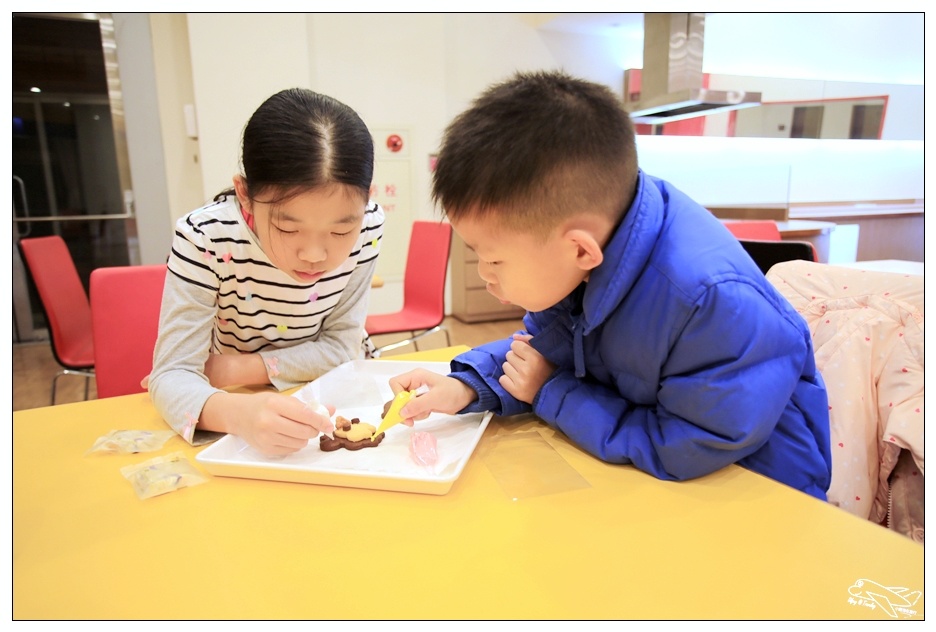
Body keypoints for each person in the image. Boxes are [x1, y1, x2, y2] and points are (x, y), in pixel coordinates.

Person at [390, 71, 832, 500]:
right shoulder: (599, 237)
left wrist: (550, 392)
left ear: (580, 250)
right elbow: (545, 349)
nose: (486, 273)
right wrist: (468, 386)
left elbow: (687, 447)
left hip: (754, 497)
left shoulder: (708, 301)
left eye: (492, 258)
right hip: (663, 480)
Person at [148, 88, 384, 456]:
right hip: (236, 404)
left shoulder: (369, 224)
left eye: (340, 231)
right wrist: (237, 413)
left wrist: (235, 369)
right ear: (244, 194)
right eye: (289, 229)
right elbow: (171, 375)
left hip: (335, 392)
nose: (314, 255)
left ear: (366, 199)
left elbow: (342, 347)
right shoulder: (206, 238)